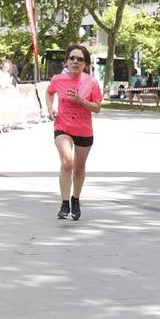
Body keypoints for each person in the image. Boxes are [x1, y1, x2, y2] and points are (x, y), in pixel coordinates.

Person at [45, 44, 103, 219]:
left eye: (80, 59)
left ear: (85, 64)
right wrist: (50, 108)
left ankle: (75, 199)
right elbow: (49, 92)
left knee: (79, 168)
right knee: (67, 162)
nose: (75, 62)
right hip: (63, 127)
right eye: (72, 58)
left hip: (84, 130)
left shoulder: (91, 82)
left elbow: (97, 108)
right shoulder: (58, 79)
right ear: (67, 61)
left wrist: (81, 101)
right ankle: (64, 204)